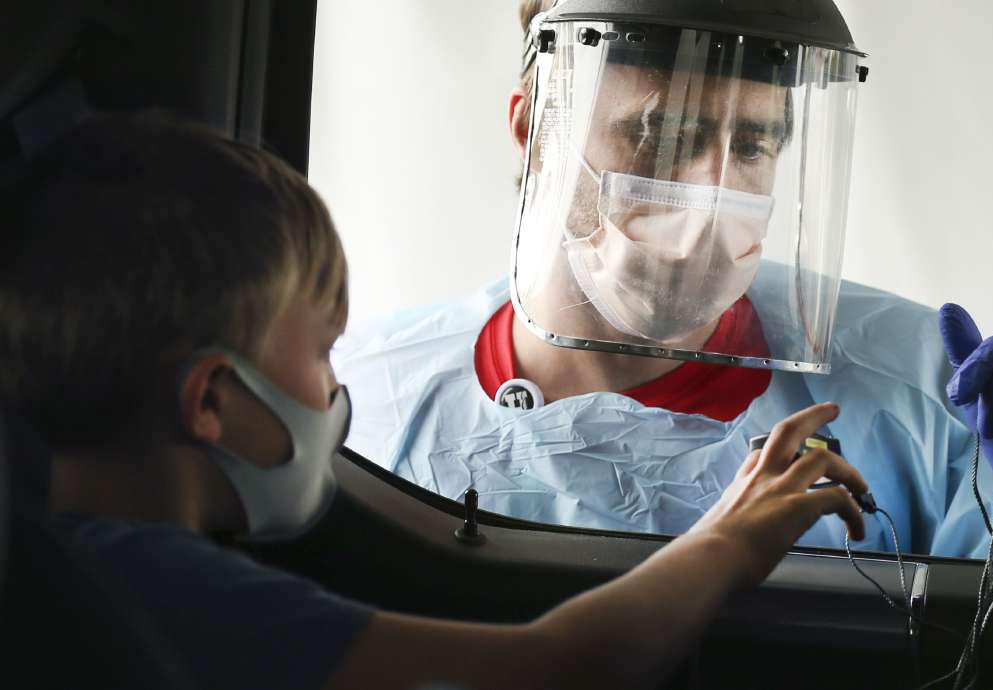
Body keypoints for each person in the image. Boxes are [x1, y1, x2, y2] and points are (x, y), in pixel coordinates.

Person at [0, 112, 869, 690]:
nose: (335, 388)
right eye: (319, 353)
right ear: (211, 404)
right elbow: (558, 670)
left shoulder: (57, 562)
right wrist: (726, 541)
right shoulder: (165, 587)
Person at [334, 0, 993, 573]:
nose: (709, 197)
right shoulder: (367, 407)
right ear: (533, 134)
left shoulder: (918, 398)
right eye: (661, 134)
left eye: (754, 145)